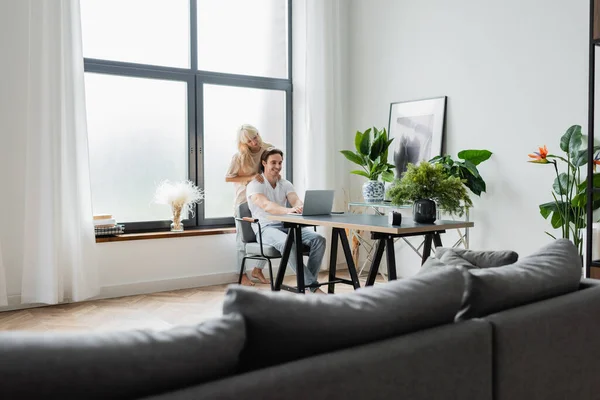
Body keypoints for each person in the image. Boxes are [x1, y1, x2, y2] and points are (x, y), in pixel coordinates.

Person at [246, 148, 327, 293]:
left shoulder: (285, 183)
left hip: (287, 226)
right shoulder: (255, 184)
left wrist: (299, 206)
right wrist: (288, 210)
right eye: (273, 162)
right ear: (264, 163)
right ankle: (313, 288)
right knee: (286, 242)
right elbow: (266, 205)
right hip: (265, 229)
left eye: (280, 163)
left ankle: (307, 285)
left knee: (319, 240)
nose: (277, 166)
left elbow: (295, 200)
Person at [225, 124, 274, 286]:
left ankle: (257, 270)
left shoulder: (267, 149)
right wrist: (251, 177)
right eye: (250, 140)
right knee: (243, 240)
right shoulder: (239, 157)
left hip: (262, 200)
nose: (255, 142)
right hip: (244, 202)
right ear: (244, 143)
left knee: (267, 235)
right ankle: (242, 276)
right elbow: (228, 178)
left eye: (256, 137)